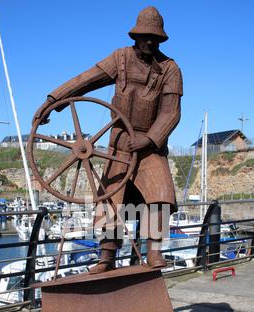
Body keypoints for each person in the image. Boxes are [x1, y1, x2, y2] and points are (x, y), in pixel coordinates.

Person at [33, 6, 183, 273]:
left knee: (160, 196)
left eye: (154, 38)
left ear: (160, 39)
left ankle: (154, 252)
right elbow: (86, 80)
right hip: (118, 146)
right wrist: (53, 100)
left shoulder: (170, 69)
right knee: (110, 201)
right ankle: (106, 257)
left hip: (150, 149)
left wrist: (149, 139)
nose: (149, 42)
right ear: (135, 36)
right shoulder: (120, 58)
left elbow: (171, 113)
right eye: (145, 36)